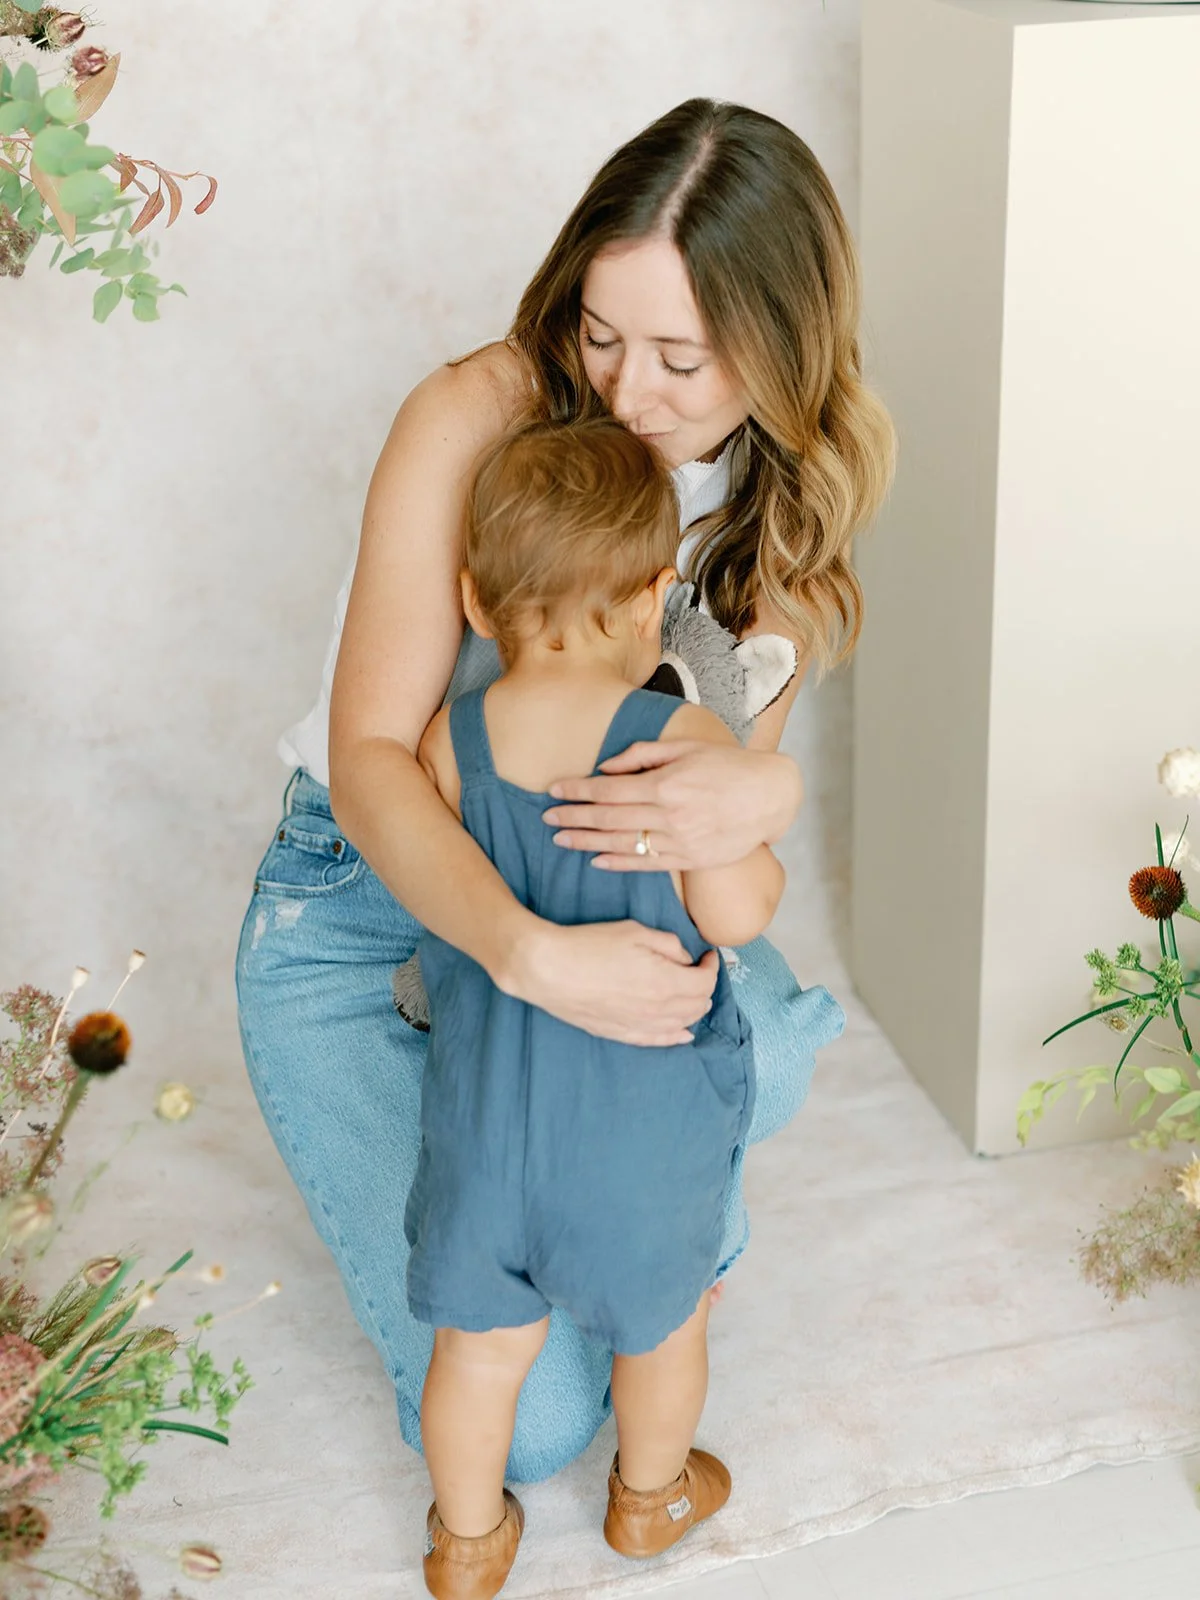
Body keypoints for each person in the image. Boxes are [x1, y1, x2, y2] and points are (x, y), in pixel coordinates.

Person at [236, 97, 894, 1487]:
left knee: (765, 1048)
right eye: (601, 334)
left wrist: (751, 799)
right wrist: (531, 962)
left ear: (781, 354)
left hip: (594, 895)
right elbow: (369, 760)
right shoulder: (476, 412)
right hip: (367, 915)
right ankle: (561, 1192)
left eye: (681, 359)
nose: (625, 394)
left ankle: (579, 1198)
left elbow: (703, 837)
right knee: (531, 1436)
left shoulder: (767, 531)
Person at [411, 416, 779, 1598]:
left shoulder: (447, 740)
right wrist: (748, 838)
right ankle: (648, 1498)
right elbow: (736, 916)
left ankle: (466, 1545)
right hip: (637, 1135)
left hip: (486, 1129)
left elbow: (436, 887)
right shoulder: (675, 736)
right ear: (653, 599)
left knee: (478, 1352)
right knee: (663, 1327)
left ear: (475, 600)